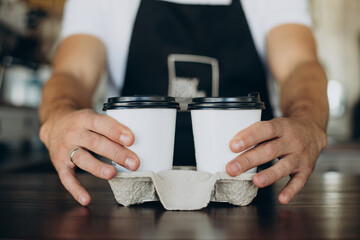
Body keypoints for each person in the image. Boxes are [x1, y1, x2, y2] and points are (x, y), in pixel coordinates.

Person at [39, 0, 329, 206]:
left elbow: (299, 65)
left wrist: (307, 121)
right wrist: (60, 114)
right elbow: (71, 73)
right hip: (137, 200)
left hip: (248, 198)